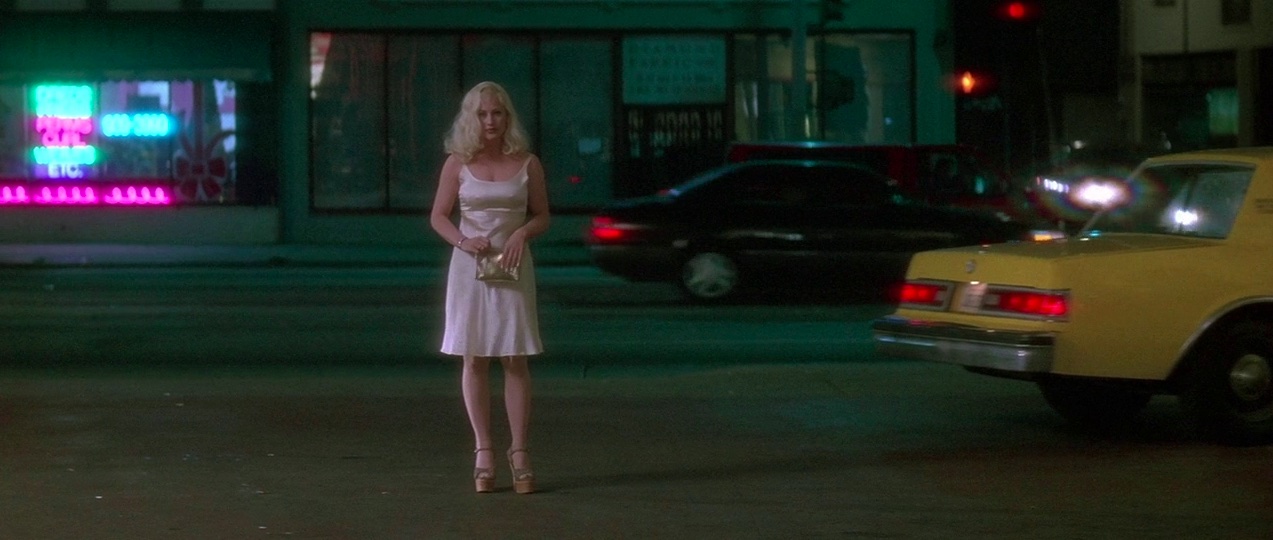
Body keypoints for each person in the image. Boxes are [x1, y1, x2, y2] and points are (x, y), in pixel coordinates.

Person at [429, 81, 550, 495]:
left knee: (514, 357)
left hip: (514, 267)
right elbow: (439, 217)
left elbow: (543, 216)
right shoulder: (457, 163)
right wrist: (464, 242)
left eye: (497, 113)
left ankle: (519, 452)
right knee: (474, 357)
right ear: (471, 118)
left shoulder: (528, 162)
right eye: (482, 114)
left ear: (508, 116)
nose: (490, 121)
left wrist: (522, 234)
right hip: (470, 269)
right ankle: (483, 451)